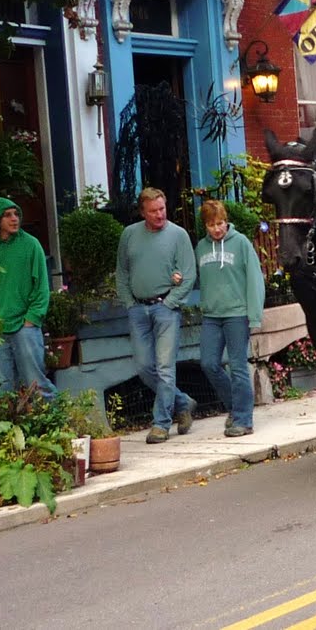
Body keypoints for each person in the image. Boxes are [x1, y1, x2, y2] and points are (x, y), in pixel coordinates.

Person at [116, 187, 197, 444]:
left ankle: (161, 423)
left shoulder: (178, 235)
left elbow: (189, 273)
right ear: (143, 212)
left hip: (166, 308)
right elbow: (122, 272)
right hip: (138, 308)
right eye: (153, 211)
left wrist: (171, 302)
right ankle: (183, 402)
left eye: (162, 209)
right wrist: (129, 302)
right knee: (144, 367)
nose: (160, 214)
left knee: (164, 367)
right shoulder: (129, 235)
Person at [195, 200, 266, 438]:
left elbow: (255, 279)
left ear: (226, 221)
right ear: (205, 225)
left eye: (220, 223)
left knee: (238, 367)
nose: (216, 229)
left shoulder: (241, 243)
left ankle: (244, 420)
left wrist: (254, 316)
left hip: (237, 314)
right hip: (211, 315)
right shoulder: (201, 248)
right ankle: (235, 409)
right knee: (208, 363)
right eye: (211, 224)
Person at [0, 197, 55, 400]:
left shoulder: (31, 245)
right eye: (7, 215)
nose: (14, 219)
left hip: (25, 326)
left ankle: (56, 425)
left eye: (16, 214)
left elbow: (42, 287)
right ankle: (11, 429)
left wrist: (32, 319)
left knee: (37, 384)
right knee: (1, 387)